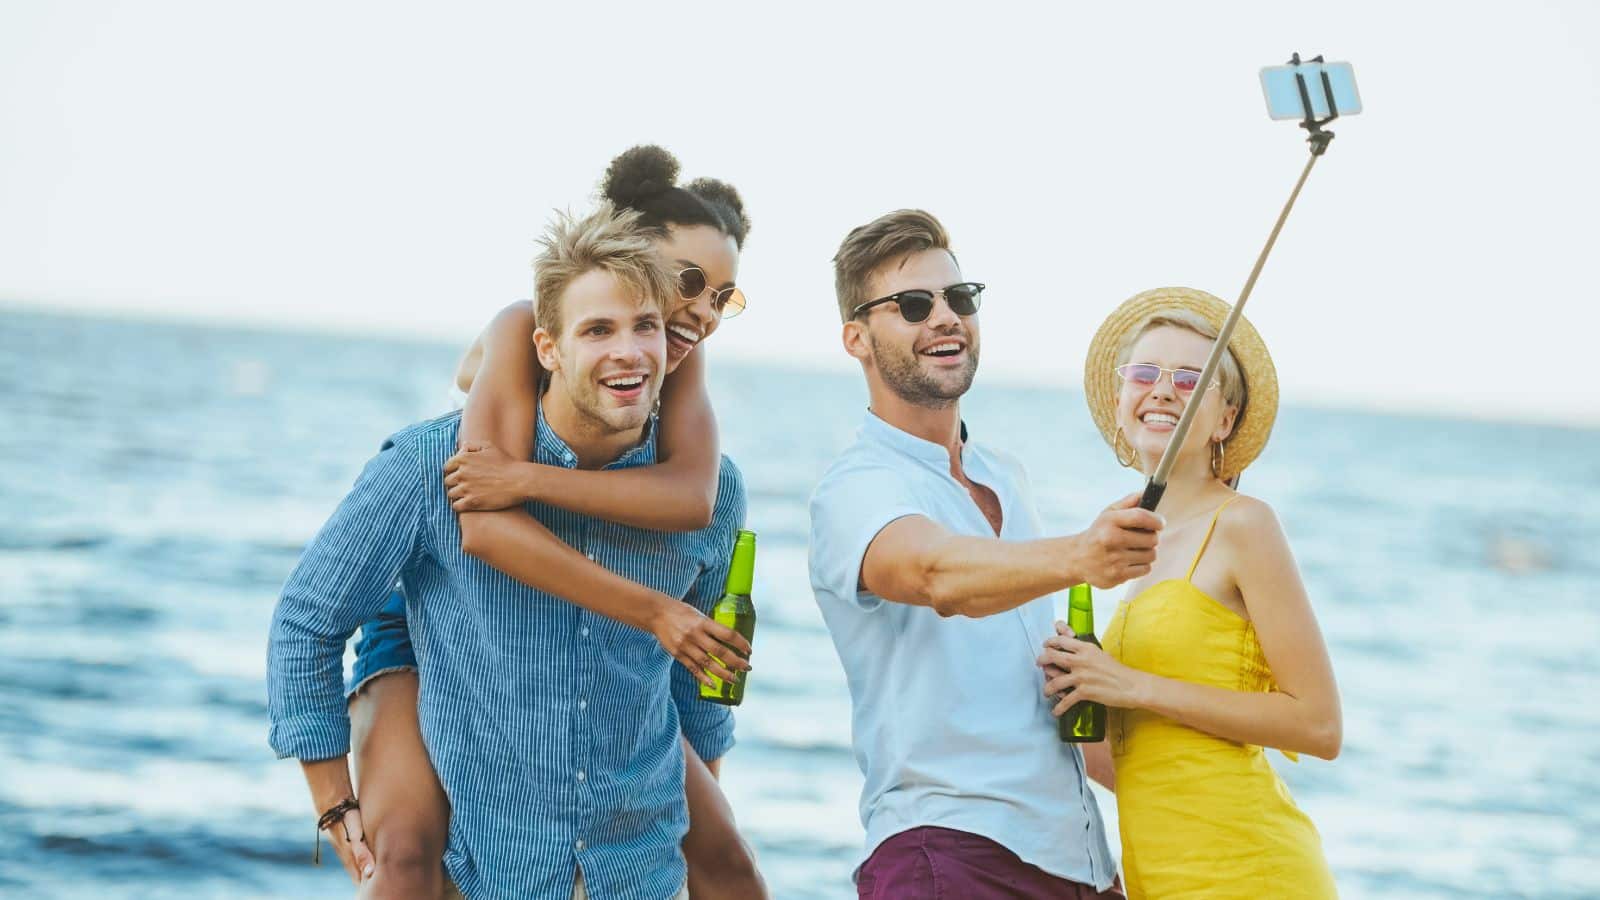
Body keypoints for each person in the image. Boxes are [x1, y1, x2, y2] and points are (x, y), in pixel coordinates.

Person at [267, 201, 746, 899]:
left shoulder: (711, 477)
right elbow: (310, 620)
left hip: (637, 876)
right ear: (549, 348)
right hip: (491, 854)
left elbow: (697, 681)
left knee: (735, 865)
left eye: (648, 324)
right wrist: (335, 802)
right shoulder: (441, 457)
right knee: (400, 858)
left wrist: (701, 817)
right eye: (599, 329)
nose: (693, 312)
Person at [807, 209, 1165, 899]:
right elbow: (936, 574)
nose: (944, 317)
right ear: (856, 337)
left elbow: (1043, 697)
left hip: (1081, 862)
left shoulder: (1007, 477)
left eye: (958, 298)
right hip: (946, 853)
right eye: (913, 305)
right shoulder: (855, 488)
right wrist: (1084, 555)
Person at [1038, 286, 1341, 898]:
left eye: (1191, 380)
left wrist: (1129, 684)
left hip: (1247, 868)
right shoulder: (1126, 545)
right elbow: (1140, 764)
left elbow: (1319, 725)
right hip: (1159, 875)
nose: (1163, 389)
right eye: (1146, 372)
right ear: (1123, 399)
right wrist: (1076, 698)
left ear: (1223, 419)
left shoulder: (1244, 524)